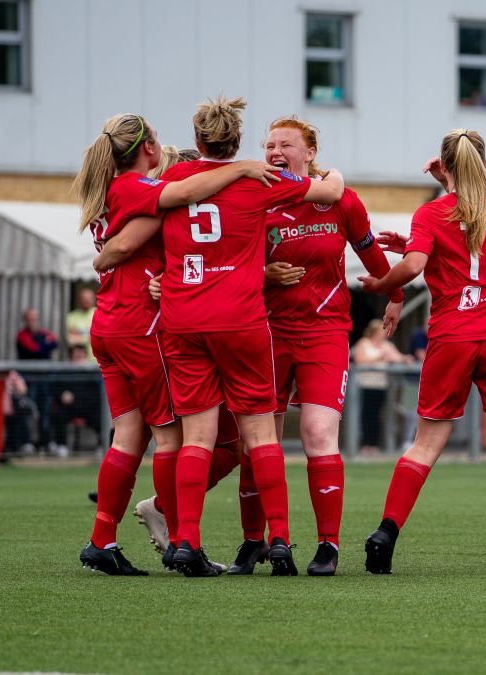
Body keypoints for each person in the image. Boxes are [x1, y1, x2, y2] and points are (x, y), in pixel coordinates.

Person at [71, 110, 278, 576]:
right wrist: (243, 169)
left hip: (111, 322)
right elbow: (172, 206)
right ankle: (184, 544)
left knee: (129, 436)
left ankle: (102, 540)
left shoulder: (113, 188)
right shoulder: (136, 187)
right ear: (145, 147)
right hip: (141, 325)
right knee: (172, 438)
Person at [157, 95, 345, 577]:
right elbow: (329, 194)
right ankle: (279, 539)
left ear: (197, 140)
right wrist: (329, 173)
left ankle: (186, 542)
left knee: (196, 437)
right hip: (240, 320)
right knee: (261, 434)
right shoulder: (261, 180)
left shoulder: (172, 179)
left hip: (183, 320)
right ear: (239, 141)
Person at [359, 128, 486, 573]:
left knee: (425, 445)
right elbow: (469, 239)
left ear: (443, 166)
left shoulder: (432, 213)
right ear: (483, 164)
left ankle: (386, 533)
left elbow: (416, 265)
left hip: (453, 335)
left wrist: (385, 284)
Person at [256, 115, 404, 576]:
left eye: (285, 145)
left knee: (318, 434)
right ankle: (264, 542)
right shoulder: (256, 203)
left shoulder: (340, 201)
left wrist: (394, 293)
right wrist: (263, 274)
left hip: (324, 334)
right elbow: (230, 268)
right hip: (268, 333)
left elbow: (372, 257)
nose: (275, 152)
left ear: (310, 153)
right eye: (269, 145)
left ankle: (328, 546)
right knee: (259, 440)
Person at [351, 319, 412, 455]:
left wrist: (406, 358)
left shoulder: (387, 345)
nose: (382, 334)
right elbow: (360, 360)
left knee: (377, 416)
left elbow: (398, 357)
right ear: (373, 332)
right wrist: (380, 357)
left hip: (381, 386)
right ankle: (365, 444)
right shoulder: (364, 343)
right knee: (366, 416)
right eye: (380, 331)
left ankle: (374, 445)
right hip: (365, 386)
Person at [15, 307, 58, 452]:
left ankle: (45, 442)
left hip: (45, 379)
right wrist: (44, 346)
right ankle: (27, 442)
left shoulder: (44, 333)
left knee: (45, 411)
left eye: (34, 318)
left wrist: (43, 346)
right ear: (25, 320)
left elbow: (54, 342)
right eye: (29, 318)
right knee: (28, 410)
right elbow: (34, 349)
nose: (32, 321)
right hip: (29, 380)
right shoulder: (22, 335)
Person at [48, 345, 103, 457]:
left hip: (88, 407)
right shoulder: (65, 371)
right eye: (76, 354)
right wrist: (62, 394)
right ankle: (61, 446)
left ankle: (102, 445)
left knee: (101, 416)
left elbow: (99, 392)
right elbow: (54, 387)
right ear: (71, 356)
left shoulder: (93, 372)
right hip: (69, 407)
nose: (79, 356)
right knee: (58, 414)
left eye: (81, 354)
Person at [65, 288, 97, 362]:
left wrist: (79, 334)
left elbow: (101, 339)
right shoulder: (72, 316)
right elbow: (70, 339)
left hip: (97, 362)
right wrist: (90, 337)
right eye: (84, 298)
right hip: (78, 362)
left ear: (94, 299)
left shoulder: (101, 315)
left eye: (89, 298)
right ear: (79, 300)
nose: (86, 300)